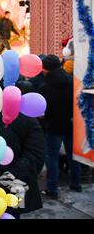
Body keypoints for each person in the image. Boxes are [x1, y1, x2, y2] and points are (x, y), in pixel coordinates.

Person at [38, 54, 82, 199]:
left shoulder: (44, 87)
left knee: (52, 157)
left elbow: (43, 110)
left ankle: (53, 189)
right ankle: (76, 184)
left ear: (46, 69)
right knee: (73, 156)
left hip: (53, 126)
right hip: (71, 124)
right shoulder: (71, 81)